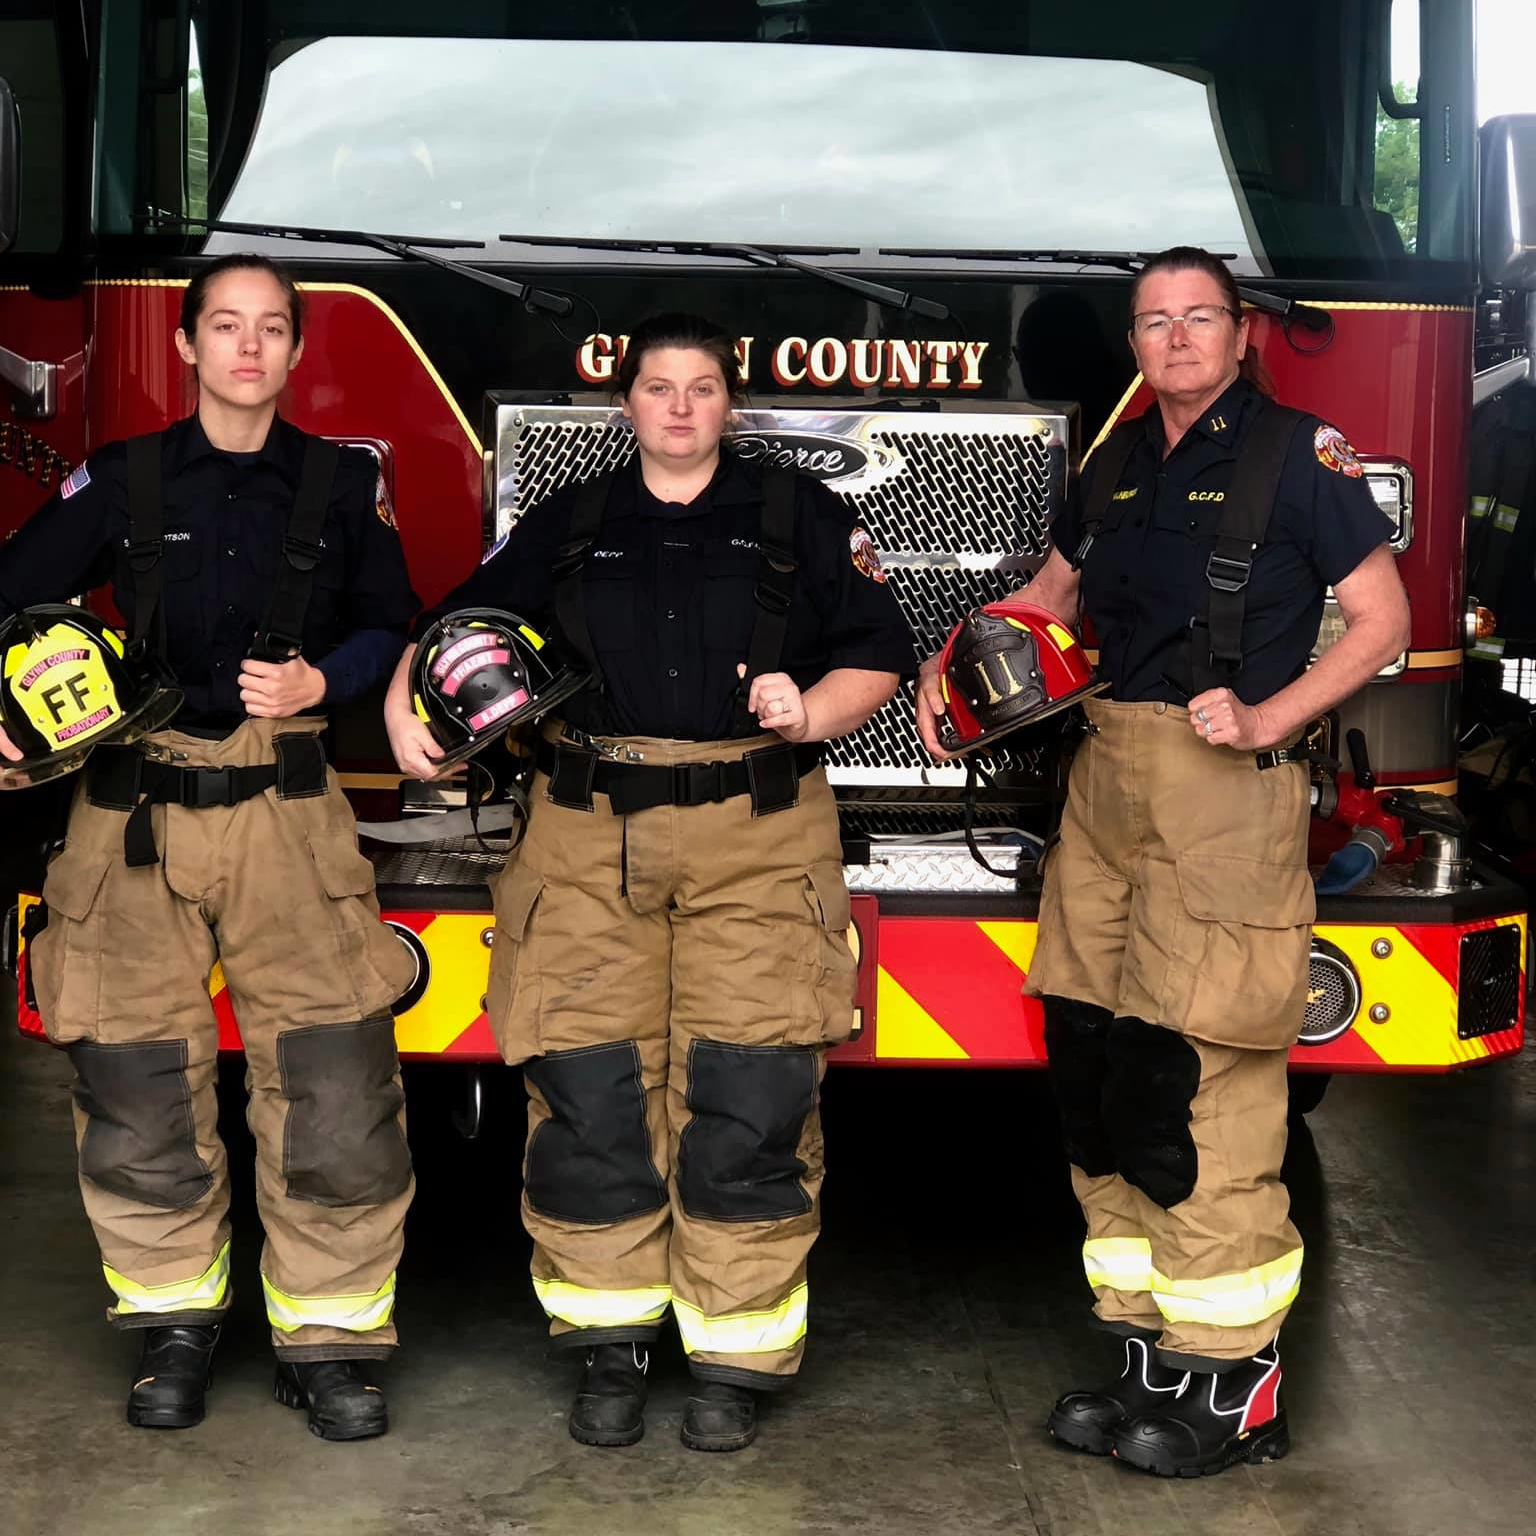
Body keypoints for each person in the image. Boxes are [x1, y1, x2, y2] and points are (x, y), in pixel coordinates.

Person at [917, 246, 1410, 1478]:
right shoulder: (1119, 461)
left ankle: (1234, 1381)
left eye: (1200, 318)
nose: (1177, 339)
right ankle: (1147, 1355)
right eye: (1154, 322)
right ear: (1135, 344)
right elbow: (1054, 591)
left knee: (1202, 1075)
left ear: (1240, 335)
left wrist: (1273, 714)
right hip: (1105, 785)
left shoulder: (1304, 459)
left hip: (1220, 796)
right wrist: (958, 658)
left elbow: (1385, 619)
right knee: (1097, 1056)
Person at [385, 312, 915, 1452]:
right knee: (591, 1096)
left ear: (732, 405)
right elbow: (455, 627)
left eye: (703, 388)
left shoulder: (798, 516)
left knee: (751, 1095)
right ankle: (609, 1345)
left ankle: (733, 1356)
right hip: (583, 835)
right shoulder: (570, 523)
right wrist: (398, 701)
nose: (680, 407)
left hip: (759, 834)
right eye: (659, 388)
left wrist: (811, 710)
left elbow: (881, 646)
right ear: (628, 404)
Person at [1, 254, 420, 1440]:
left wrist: (319, 679)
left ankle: (329, 1343)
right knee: (135, 1084)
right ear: (185, 348)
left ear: (295, 353)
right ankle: (172, 1331)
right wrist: (31, 707)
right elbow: (13, 597)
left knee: (336, 1081)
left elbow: (397, 623)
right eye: (225, 327)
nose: (248, 347)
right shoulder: (121, 479)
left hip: (288, 813)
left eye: (271, 329)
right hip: (129, 820)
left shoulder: (342, 486)